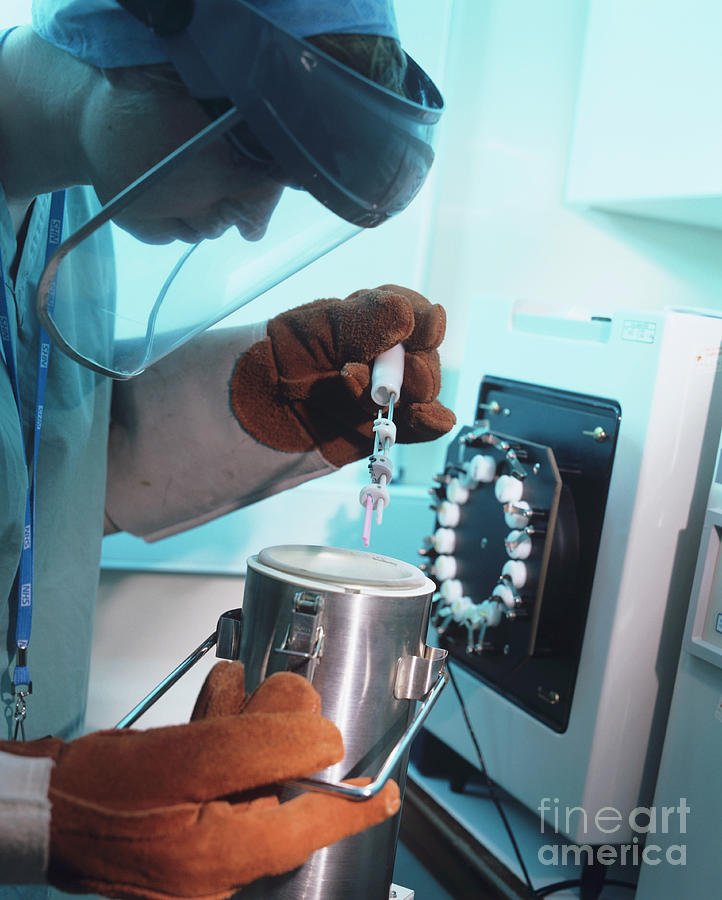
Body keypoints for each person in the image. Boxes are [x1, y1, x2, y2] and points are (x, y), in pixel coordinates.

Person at [0, 0, 456, 896]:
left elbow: (49, 476)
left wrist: (265, 399)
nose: (255, 223)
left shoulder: (71, 217)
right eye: (253, 151)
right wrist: (35, 809)